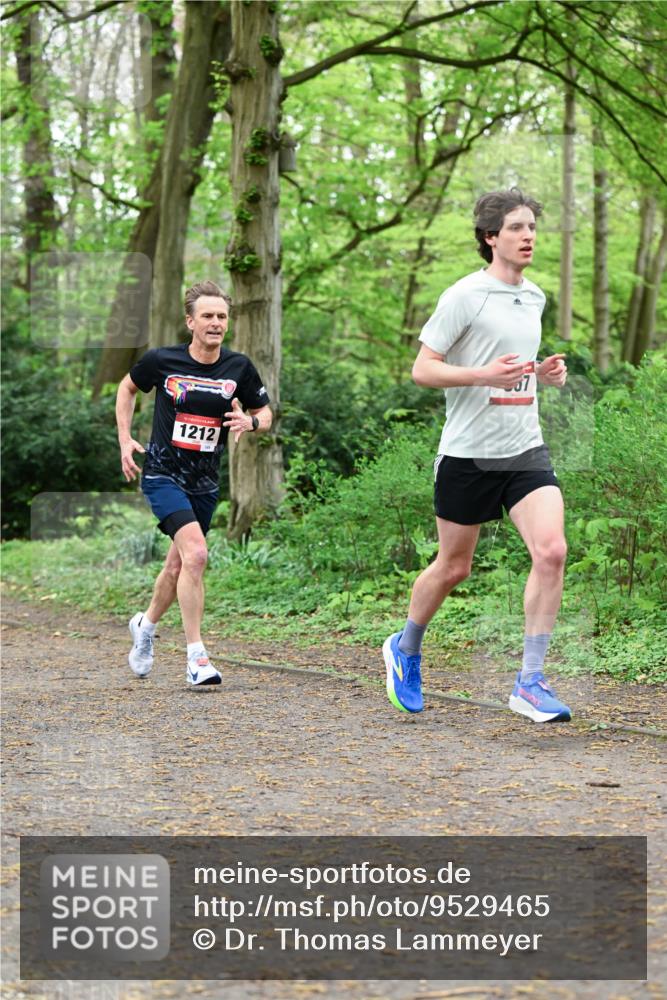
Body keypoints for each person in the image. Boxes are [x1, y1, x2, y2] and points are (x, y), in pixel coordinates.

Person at [383, 188, 571, 723]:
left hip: (523, 450)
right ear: (491, 238)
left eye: (532, 227)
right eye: (515, 227)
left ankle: (530, 681)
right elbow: (424, 369)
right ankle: (405, 647)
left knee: (552, 550)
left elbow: (517, 366)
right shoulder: (464, 295)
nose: (528, 235)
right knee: (453, 567)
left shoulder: (533, 297)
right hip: (467, 454)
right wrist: (482, 375)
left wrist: (544, 374)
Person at [116, 280, 272, 687]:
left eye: (222, 316)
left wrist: (250, 422)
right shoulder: (162, 360)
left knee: (178, 564)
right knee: (197, 555)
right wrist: (124, 439)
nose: (216, 323)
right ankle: (196, 657)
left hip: (204, 483)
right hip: (163, 473)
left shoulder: (238, 368)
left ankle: (145, 628)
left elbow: (266, 412)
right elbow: (127, 387)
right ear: (191, 321)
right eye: (207, 316)